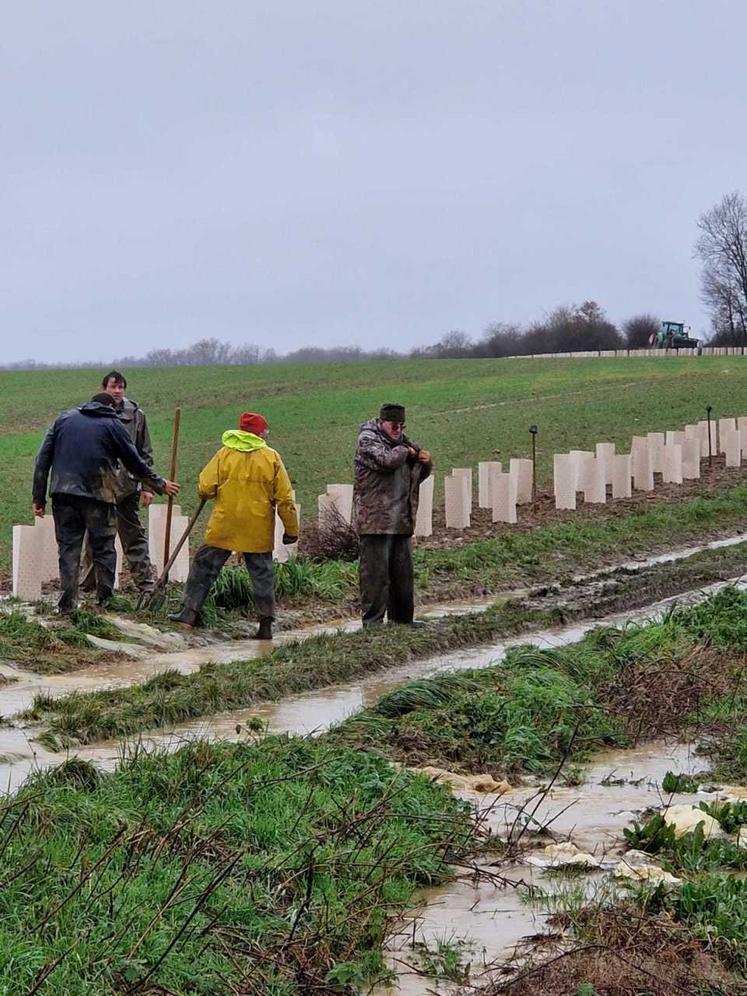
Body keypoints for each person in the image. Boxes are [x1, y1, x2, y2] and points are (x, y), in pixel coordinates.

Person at [32, 394, 180, 613]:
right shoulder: (113, 424)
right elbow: (134, 461)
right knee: (103, 549)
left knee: (68, 549)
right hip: (98, 496)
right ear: (110, 408)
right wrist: (159, 483)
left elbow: (42, 458)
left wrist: (38, 497)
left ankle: (67, 606)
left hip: (63, 494)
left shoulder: (63, 419)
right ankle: (104, 601)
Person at [168, 412, 298, 639]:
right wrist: (291, 530)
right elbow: (285, 499)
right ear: (259, 432)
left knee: (204, 568)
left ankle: (188, 614)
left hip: (224, 525)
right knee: (262, 575)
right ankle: (265, 625)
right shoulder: (271, 457)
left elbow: (205, 488)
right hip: (256, 528)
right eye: (265, 430)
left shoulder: (224, 454)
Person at [352, 403, 432, 626]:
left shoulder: (403, 443)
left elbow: (412, 477)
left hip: (400, 521)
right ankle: (373, 624)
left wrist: (425, 464)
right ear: (381, 422)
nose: (398, 430)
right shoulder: (367, 441)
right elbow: (386, 462)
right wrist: (406, 452)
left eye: (401, 426)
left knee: (402, 576)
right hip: (375, 521)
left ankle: (402, 621)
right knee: (375, 577)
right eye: (394, 425)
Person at [80, 370, 157, 592]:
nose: (117, 391)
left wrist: (148, 487)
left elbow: (145, 453)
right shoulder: (91, 413)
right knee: (94, 539)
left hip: (127, 487)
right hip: (98, 488)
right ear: (104, 388)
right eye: (113, 386)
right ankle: (88, 586)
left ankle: (145, 585)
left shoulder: (136, 416)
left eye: (121, 387)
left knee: (134, 537)